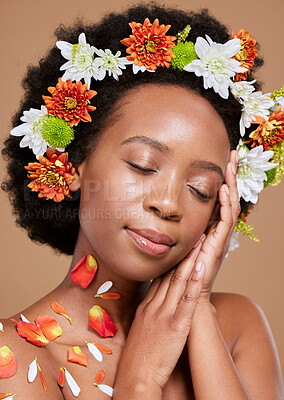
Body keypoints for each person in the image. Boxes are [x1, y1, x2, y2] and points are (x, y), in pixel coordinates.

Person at [0, 3, 283, 399]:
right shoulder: (14, 356)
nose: (168, 204)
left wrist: (197, 306)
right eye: (143, 165)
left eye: (201, 188)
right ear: (75, 162)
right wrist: (140, 380)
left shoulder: (236, 326)